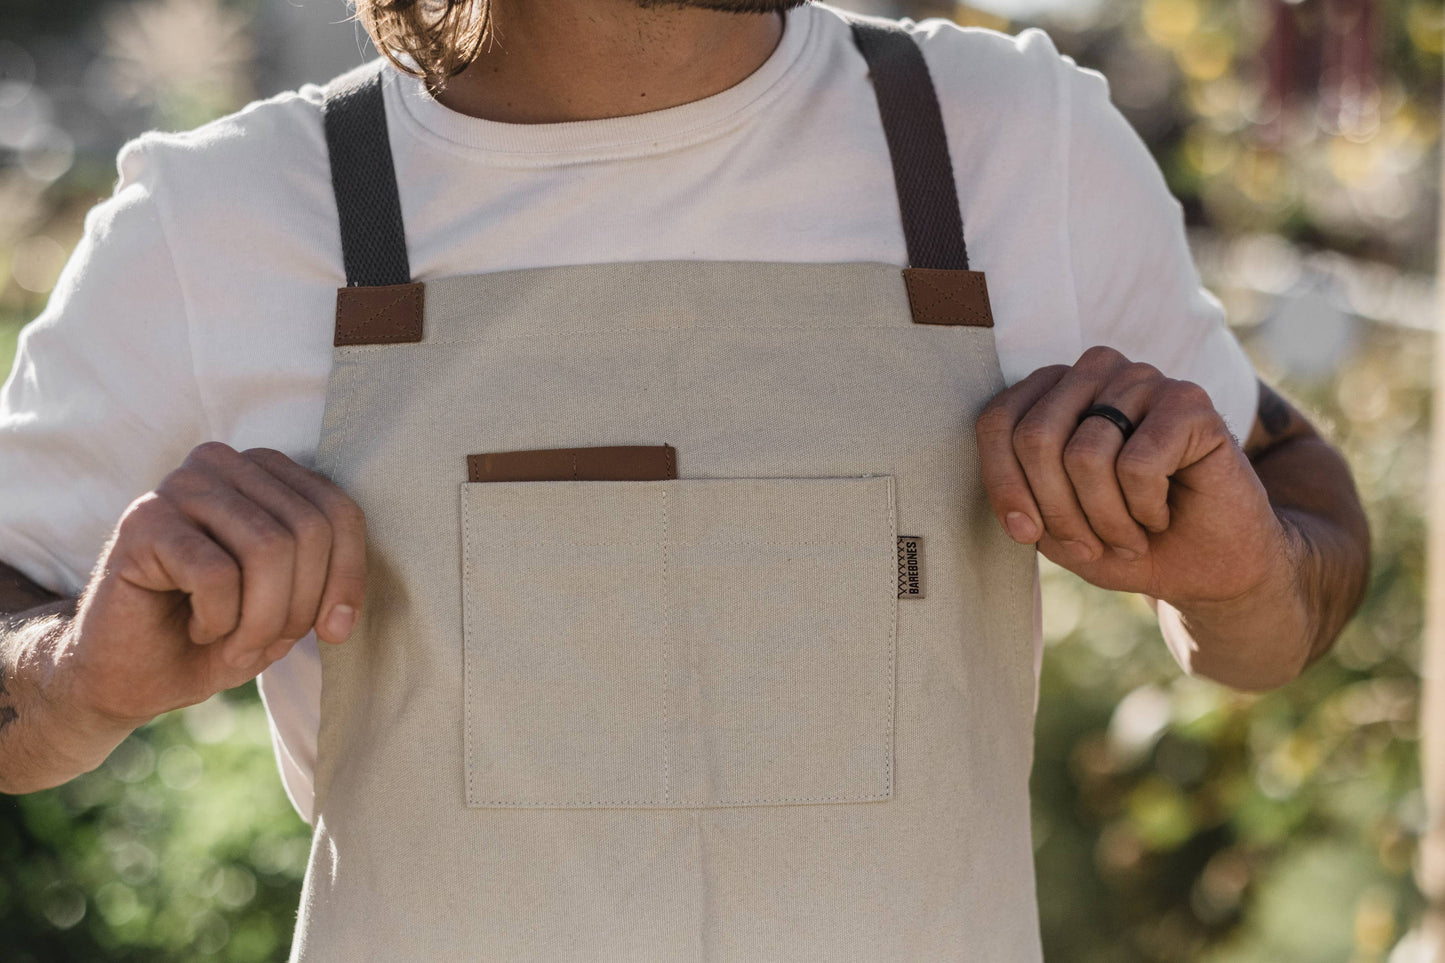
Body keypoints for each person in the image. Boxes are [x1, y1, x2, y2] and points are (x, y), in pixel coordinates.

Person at [0, 0, 1369, 958]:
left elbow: (1295, 518)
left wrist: (1239, 580)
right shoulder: (222, 220)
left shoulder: (1013, 142)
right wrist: (72, 678)